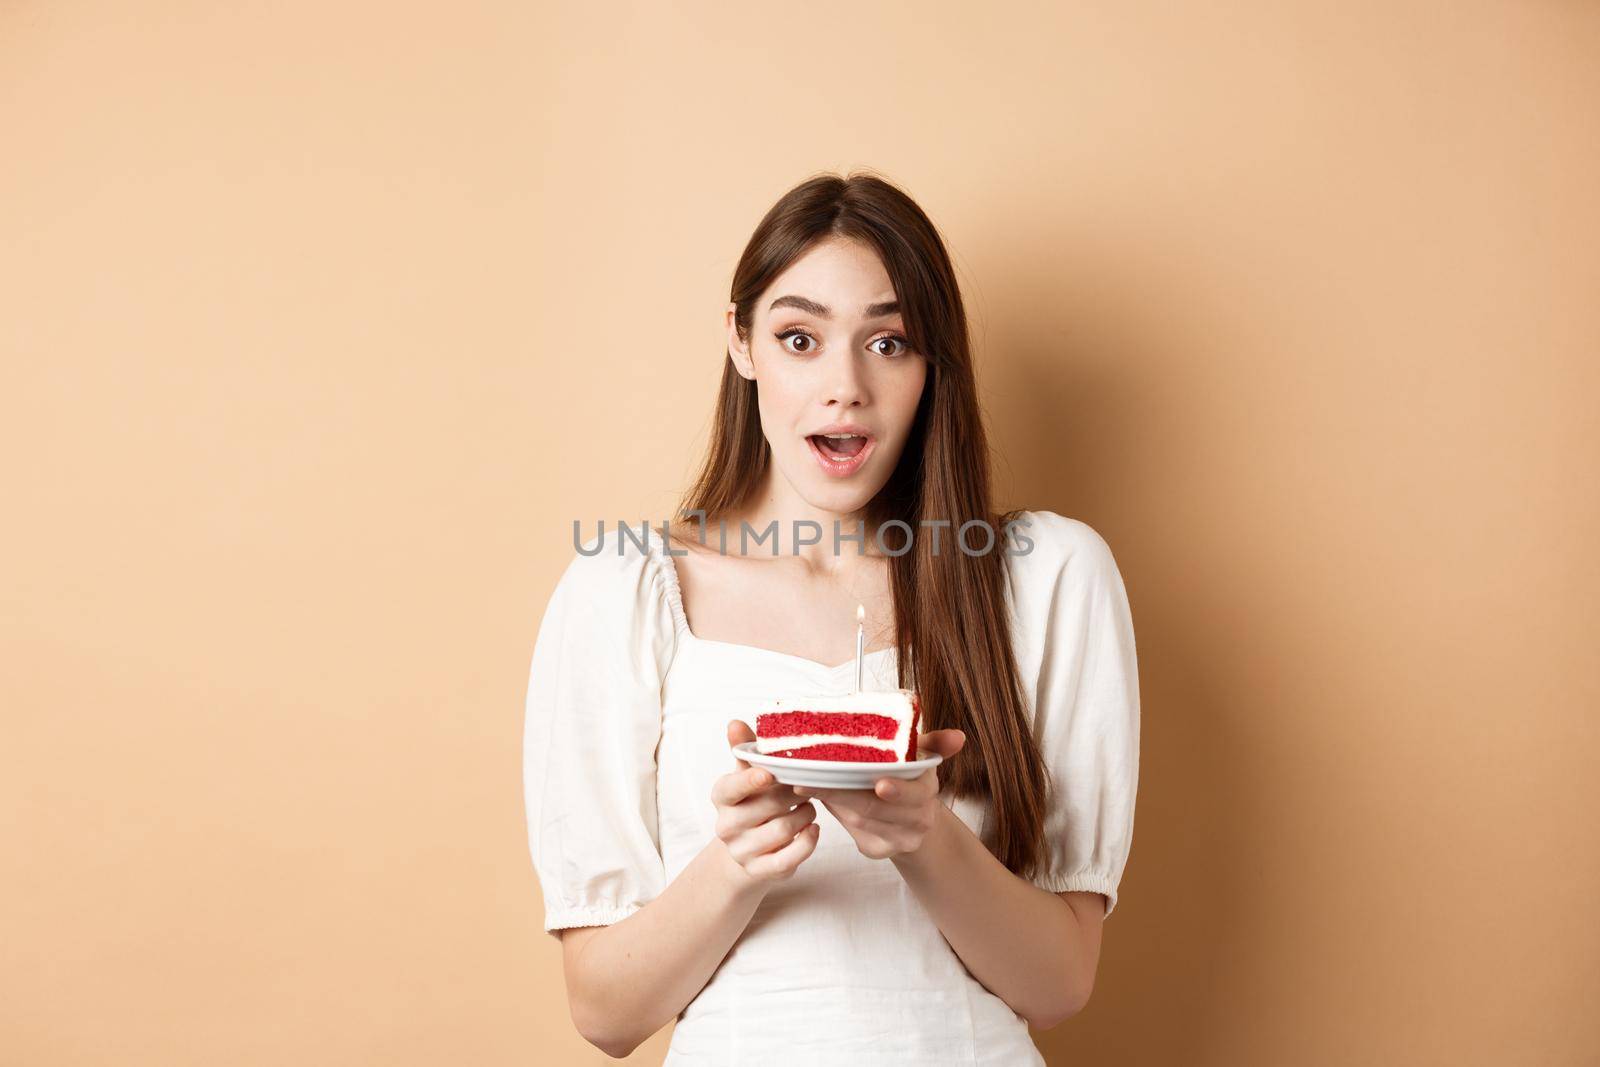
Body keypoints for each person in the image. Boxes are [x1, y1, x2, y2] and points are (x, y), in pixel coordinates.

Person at [522, 171, 1139, 1065]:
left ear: (933, 366)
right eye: (800, 337)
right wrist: (736, 862)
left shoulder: (1046, 579)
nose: (844, 386)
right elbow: (607, 1012)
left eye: (887, 342)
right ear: (741, 344)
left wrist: (927, 839)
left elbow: (1058, 985)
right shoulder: (620, 591)